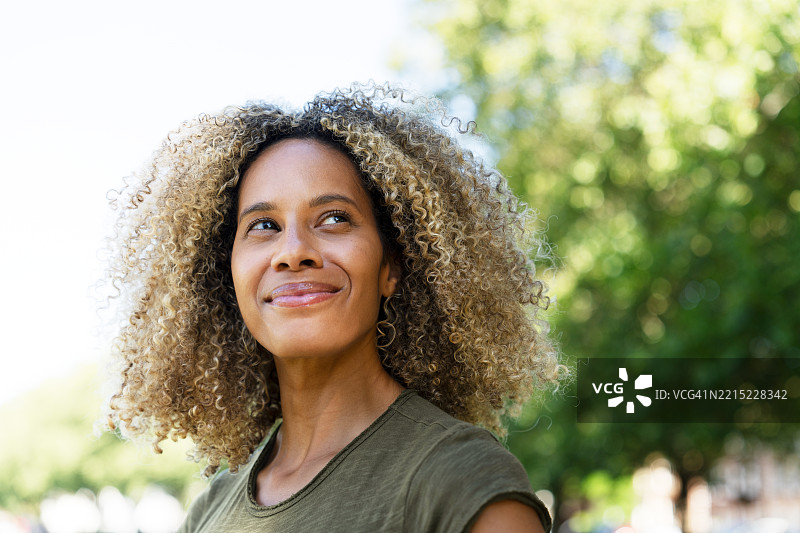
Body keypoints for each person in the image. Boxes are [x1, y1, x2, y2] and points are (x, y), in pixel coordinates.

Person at [104, 84, 558, 532]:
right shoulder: (214, 507)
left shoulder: (459, 480)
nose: (293, 251)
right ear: (227, 276)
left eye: (335, 218)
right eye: (264, 225)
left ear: (391, 268)